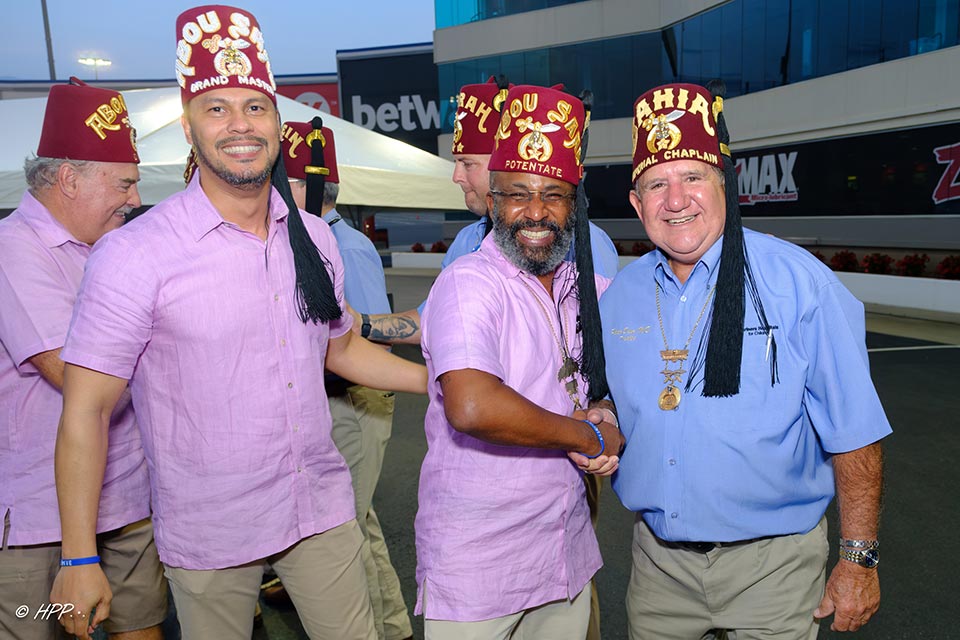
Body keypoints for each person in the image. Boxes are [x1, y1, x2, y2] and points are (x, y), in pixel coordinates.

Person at [50, 6, 426, 640]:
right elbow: (85, 409)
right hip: (210, 526)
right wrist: (79, 556)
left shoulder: (311, 237)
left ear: (277, 122)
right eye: (216, 108)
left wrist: (444, 380)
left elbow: (341, 349)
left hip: (318, 507)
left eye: (255, 107)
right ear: (188, 128)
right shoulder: (136, 254)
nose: (240, 125)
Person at [601, 81, 892, 638]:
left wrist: (859, 560)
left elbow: (855, 432)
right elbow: (613, 400)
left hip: (774, 572)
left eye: (693, 177)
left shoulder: (800, 284)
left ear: (725, 186)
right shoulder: (622, 297)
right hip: (659, 570)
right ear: (637, 205)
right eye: (657, 184)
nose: (677, 199)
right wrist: (606, 417)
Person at [415, 83, 624, 640]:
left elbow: (612, 372)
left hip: (563, 552)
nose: (536, 212)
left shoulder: (589, 286)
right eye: (517, 194)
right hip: (481, 568)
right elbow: (472, 404)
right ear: (494, 201)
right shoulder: (469, 282)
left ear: (573, 203)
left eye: (553, 194)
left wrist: (605, 411)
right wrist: (586, 438)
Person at [0, 78, 167, 640]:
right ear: (69, 179)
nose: (135, 199)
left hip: (126, 497)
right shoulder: (13, 249)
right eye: (124, 183)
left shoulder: (112, 249)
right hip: (41, 522)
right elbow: (74, 378)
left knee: (142, 628)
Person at [359, 77, 620, 345]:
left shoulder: (581, 242)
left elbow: (605, 337)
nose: (456, 176)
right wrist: (359, 325)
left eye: (467, 163)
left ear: (501, 164)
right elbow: (436, 320)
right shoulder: (467, 240)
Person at [281, 118, 413, 640]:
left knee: (345, 529)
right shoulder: (309, 240)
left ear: (302, 187)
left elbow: (368, 333)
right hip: (334, 400)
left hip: (357, 401)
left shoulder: (347, 247)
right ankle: (393, 627)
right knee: (359, 522)